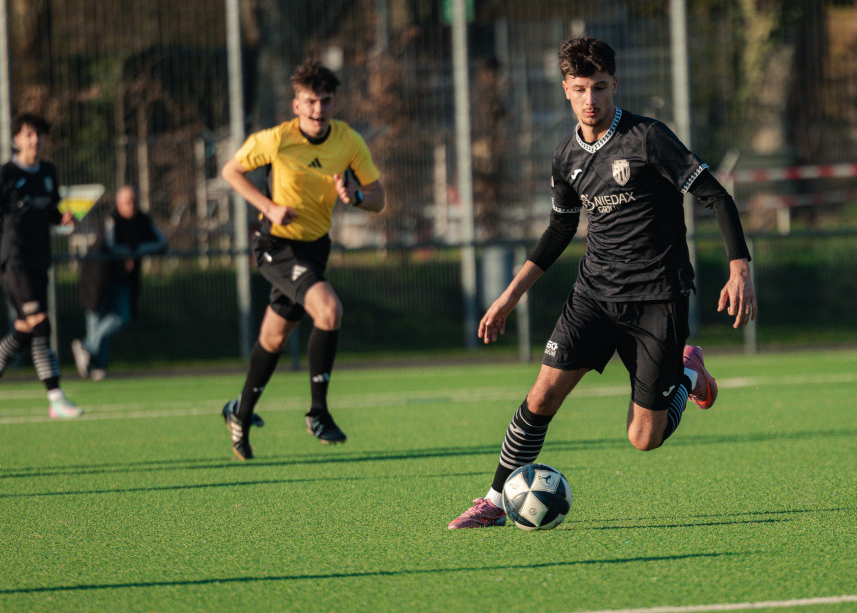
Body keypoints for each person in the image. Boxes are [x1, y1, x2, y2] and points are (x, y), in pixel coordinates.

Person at [448, 35, 757, 529]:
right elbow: (559, 230)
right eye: (579, 89)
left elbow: (717, 196)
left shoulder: (649, 138)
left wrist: (738, 265)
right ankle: (492, 501)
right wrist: (509, 296)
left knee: (644, 438)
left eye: (599, 87)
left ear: (614, 85)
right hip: (594, 295)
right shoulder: (565, 156)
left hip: (659, 297)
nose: (590, 100)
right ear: (565, 91)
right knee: (542, 395)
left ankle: (686, 374)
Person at [217, 59, 385, 460]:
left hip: (314, 248)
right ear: (296, 105)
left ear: (334, 103)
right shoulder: (277, 139)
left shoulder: (348, 141)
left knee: (274, 338)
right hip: (276, 244)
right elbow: (231, 171)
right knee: (329, 309)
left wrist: (356, 197)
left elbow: (378, 198)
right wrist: (269, 207)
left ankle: (239, 412)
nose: (317, 110)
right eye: (310, 101)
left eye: (325, 101)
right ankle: (318, 412)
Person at [0, 113, 84, 418]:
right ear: (16, 140)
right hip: (14, 261)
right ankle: (56, 398)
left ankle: (55, 397)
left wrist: (63, 217)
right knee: (40, 323)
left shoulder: (48, 172)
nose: (35, 140)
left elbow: (51, 209)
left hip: (39, 260)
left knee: (24, 331)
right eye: (29, 134)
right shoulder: (6, 174)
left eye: (39, 135)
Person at [72, 185, 167, 380]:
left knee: (122, 316)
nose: (131, 205)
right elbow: (110, 245)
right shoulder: (111, 219)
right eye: (126, 202)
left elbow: (161, 242)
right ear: (118, 203)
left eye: (133, 201)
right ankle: (97, 366)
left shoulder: (143, 219)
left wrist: (135, 250)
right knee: (96, 319)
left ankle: (86, 348)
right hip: (98, 278)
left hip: (123, 279)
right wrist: (131, 252)